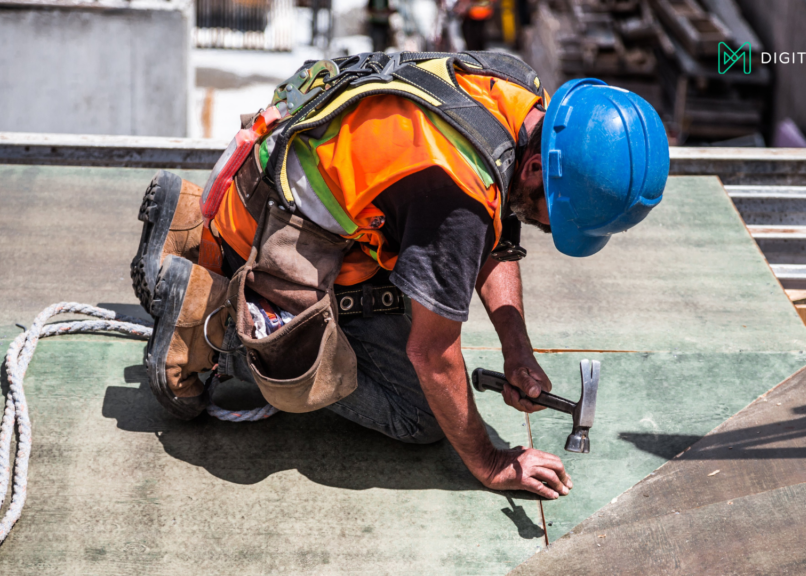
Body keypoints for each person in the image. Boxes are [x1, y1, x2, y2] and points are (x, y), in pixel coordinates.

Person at [130, 51, 668, 499]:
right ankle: (211, 321)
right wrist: (490, 462)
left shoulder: (517, 91)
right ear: (534, 169)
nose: (552, 231)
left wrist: (517, 349)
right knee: (419, 416)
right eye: (561, 217)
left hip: (268, 185)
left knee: (424, 296)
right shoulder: (455, 195)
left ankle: (189, 225)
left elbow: (496, 235)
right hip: (275, 239)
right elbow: (432, 355)